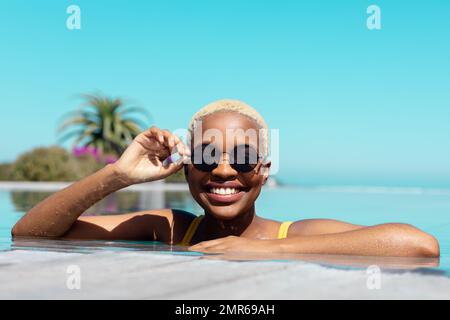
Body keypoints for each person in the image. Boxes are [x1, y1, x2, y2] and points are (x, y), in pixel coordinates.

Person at [11, 99, 440, 257]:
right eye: (206, 156)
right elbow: (29, 235)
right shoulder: (172, 229)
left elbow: (421, 245)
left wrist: (268, 252)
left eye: (244, 158)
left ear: (264, 172)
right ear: (187, 167)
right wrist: (117, 176)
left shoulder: (291, 234)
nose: (222, 170)